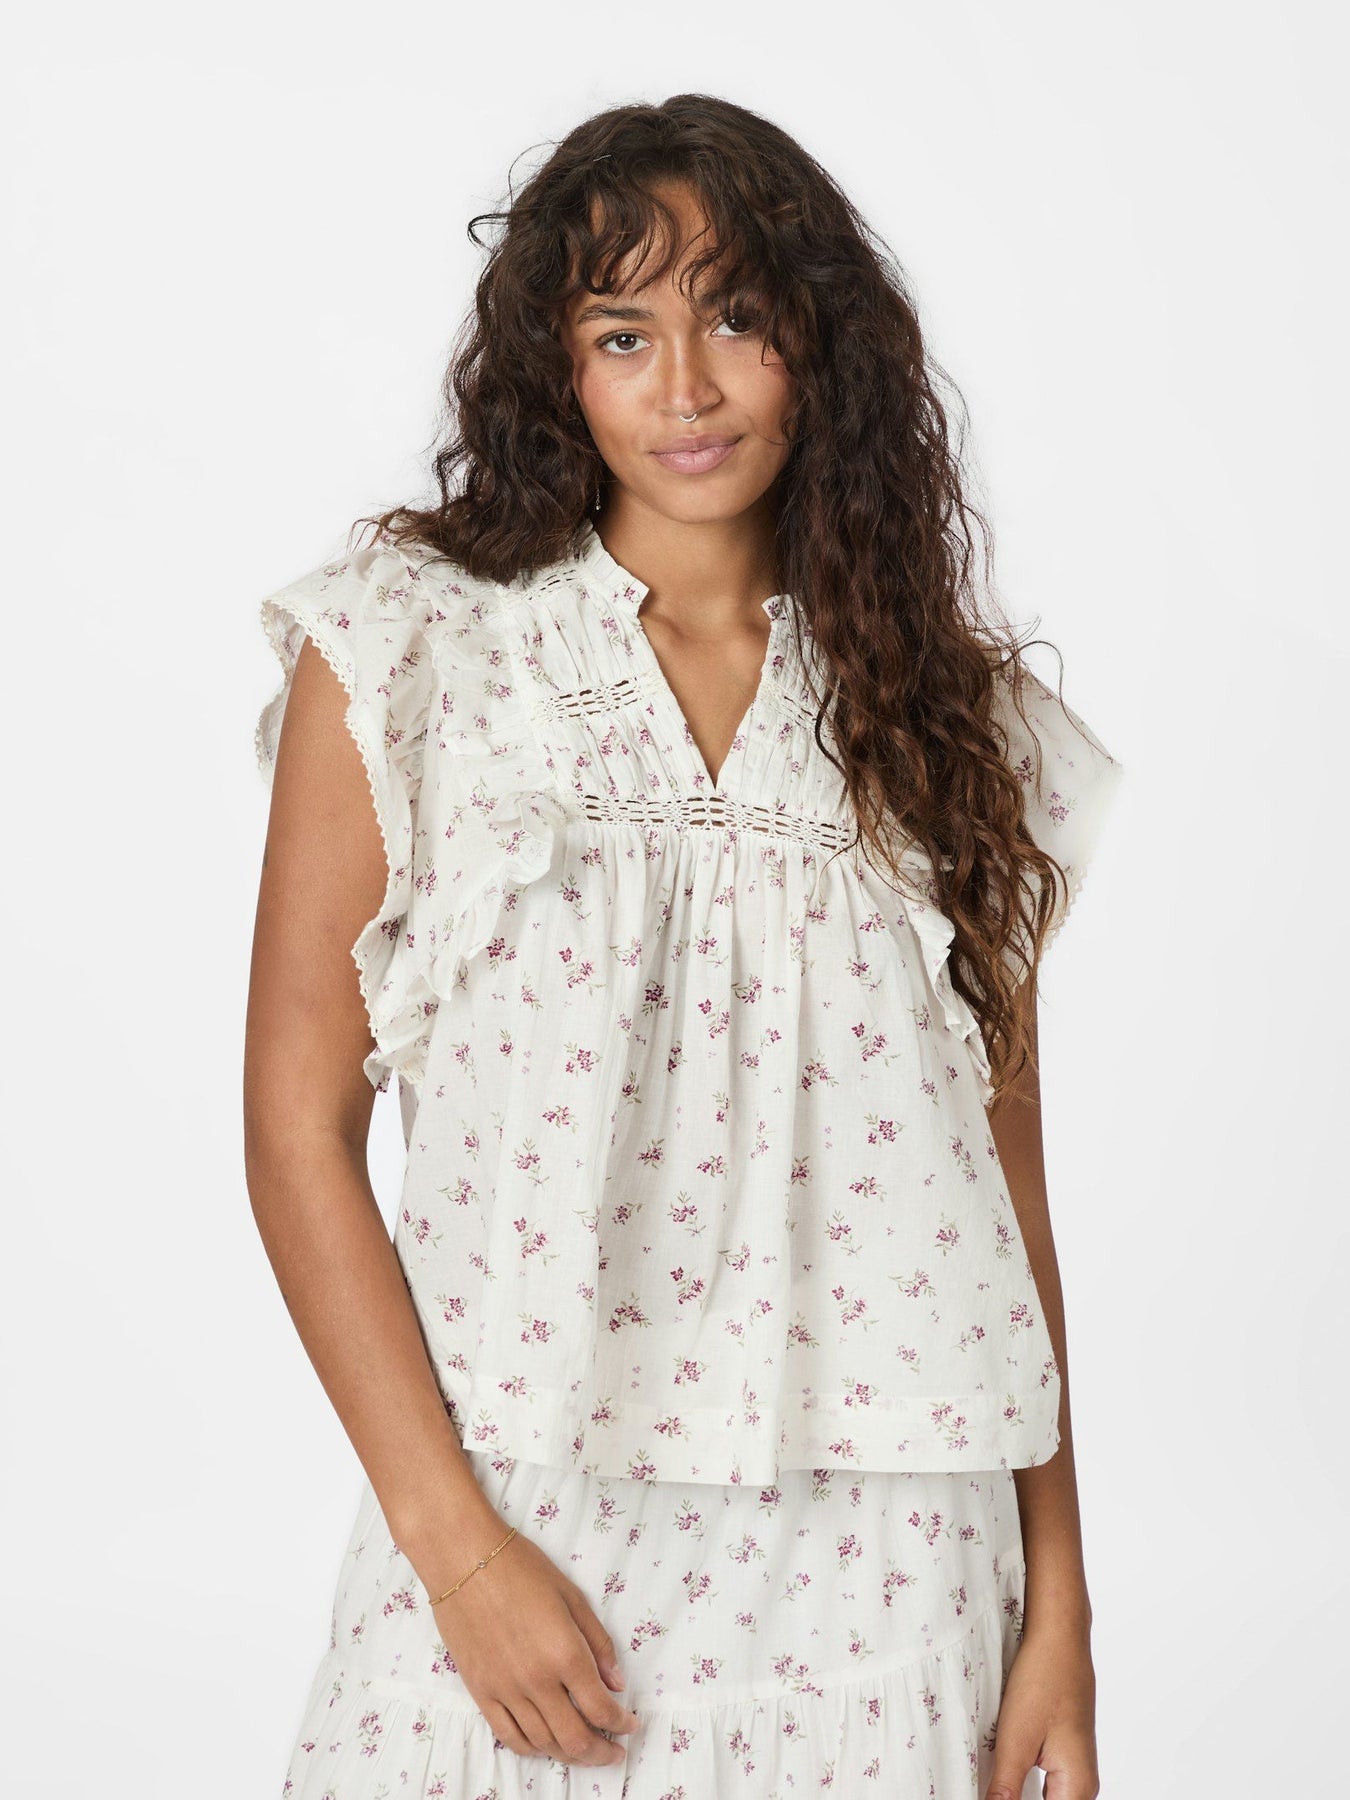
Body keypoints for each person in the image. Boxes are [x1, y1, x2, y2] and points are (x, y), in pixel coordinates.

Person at [244, 92, 1124, 1800]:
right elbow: (297, 1128)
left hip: (891, 1552)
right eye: (622, 335)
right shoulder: (412, 660)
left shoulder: (952, 722)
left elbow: (1001, 1199)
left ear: (820, 342)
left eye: (736, 318)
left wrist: (1060, 1610)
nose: (687, 390)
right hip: (518, 1509)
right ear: (556, 371)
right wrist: (457, 1555)